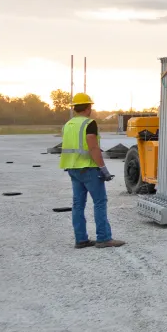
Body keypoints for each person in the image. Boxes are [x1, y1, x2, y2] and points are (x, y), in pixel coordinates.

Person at [58, 93, 125, 249]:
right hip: (89, 168)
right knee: (100, 202)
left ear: (75, 108)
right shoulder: (89, 123)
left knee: (78, 204)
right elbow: (93, 147)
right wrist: (103, 168)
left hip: (72, 168)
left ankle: (81, 239)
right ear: (88, 107)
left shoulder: (68, 125)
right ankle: (103, 238)